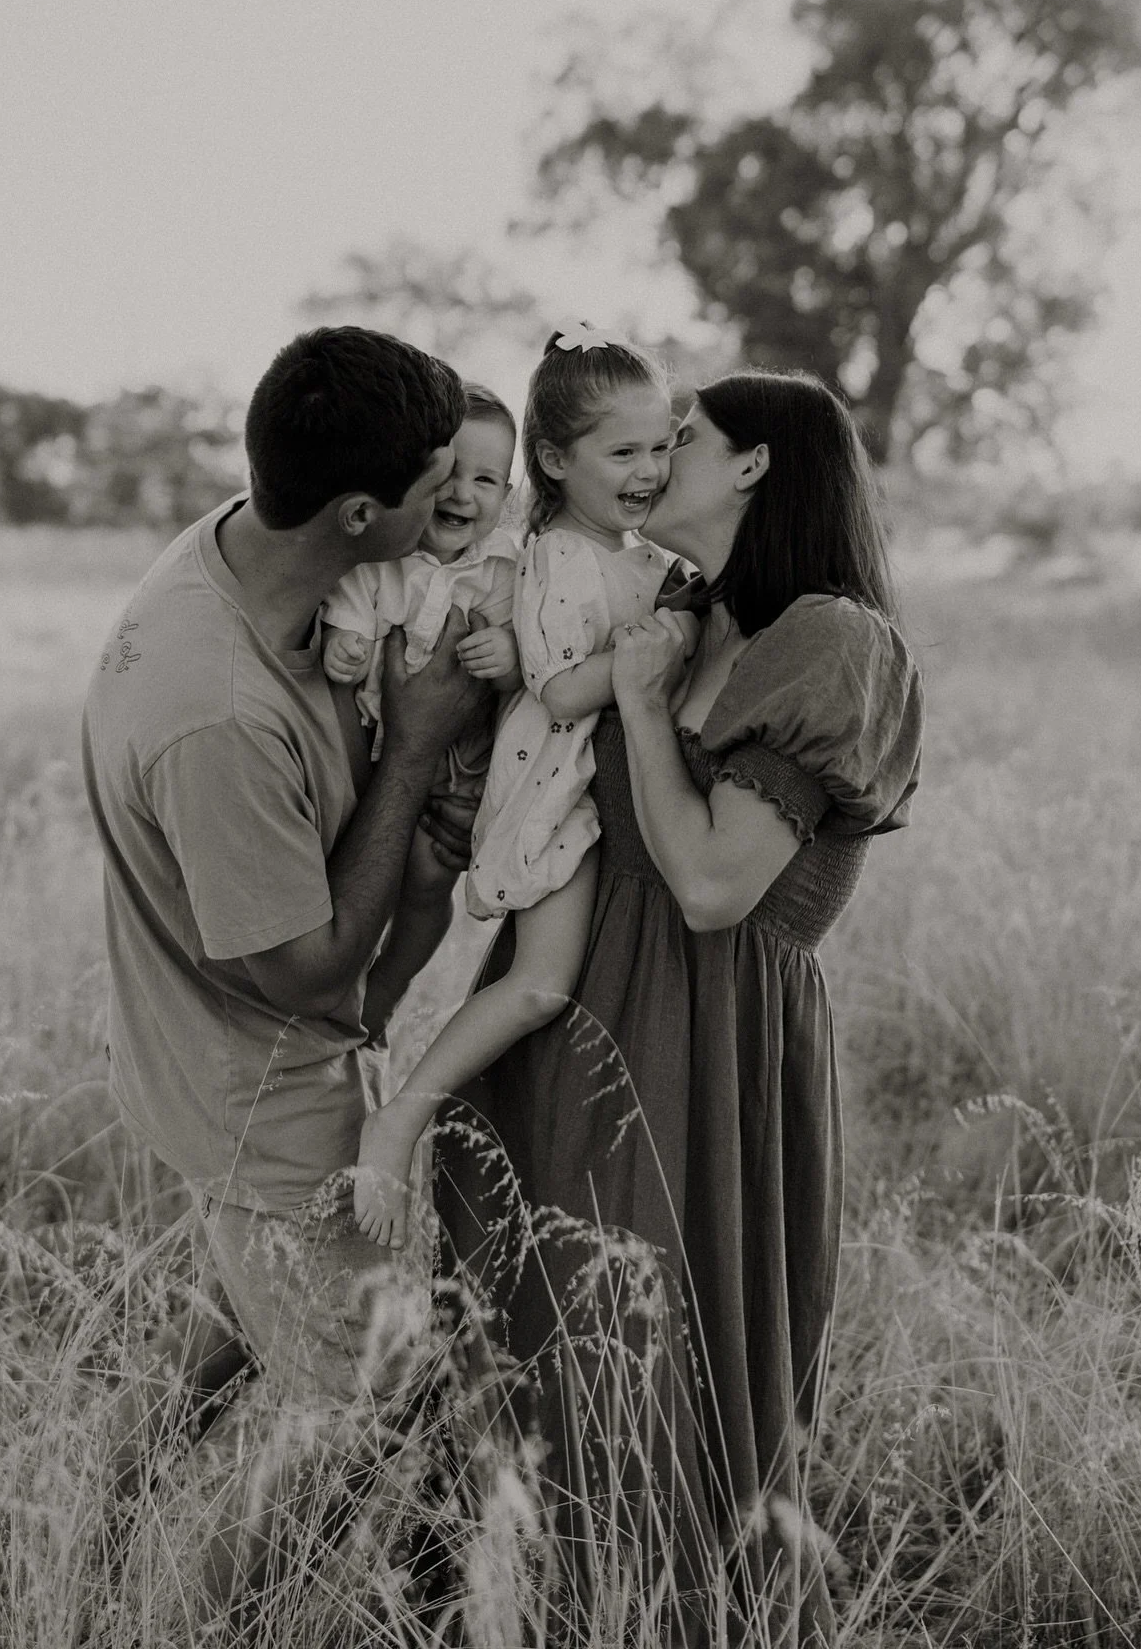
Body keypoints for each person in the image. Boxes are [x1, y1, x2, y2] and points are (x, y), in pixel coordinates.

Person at [438, 370, 924, 1645]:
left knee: (663, 1362)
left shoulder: (831, 640)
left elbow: (712, 883)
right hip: (578, 1010)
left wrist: (646, 705)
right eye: (638, 445)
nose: (655, 463)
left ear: (756, 466)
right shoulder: (681, 607)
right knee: (547, 1342)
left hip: (709, 1043)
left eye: (686, 439)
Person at [81, 325, 492, 1612]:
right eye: (441, 481)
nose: (463, 496)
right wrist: (420, 747)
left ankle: (86, 1564)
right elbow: (309, 976)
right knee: (381, 1404)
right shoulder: (218, 712)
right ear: (361, 508)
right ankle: (216, 1620)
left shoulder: (262, 543)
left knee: (230, 1339)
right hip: (260, 1089)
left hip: (207, 1066)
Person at [352, 324, 697, 1250]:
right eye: (622, 451)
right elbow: (555, 684)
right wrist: (659, 651)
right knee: (540, 986)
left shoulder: (650, 558)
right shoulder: (555, 556)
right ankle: (397, 1122)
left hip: (599, 787)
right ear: (553, 460)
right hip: (555, 787)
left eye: (661, 448)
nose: (648, 470)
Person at [321, 382, 523, 1050]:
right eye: (450, 474)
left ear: (509, 494)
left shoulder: (504, 569)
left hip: (462, 759)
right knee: (365, 873)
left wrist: (508, 651)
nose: (465, 493)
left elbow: (527, 655)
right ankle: (340, 986)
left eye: (486, 480)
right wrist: (346, 644)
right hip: (380, 749)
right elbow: (349, 612)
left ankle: (386, 992)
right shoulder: (384, 558)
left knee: (430, 879)